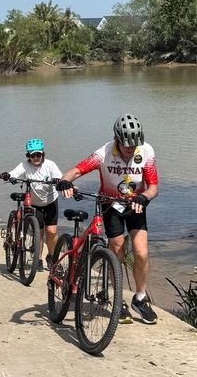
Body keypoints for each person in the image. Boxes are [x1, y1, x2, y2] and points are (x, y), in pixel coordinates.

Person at [57, 113, 159, 325]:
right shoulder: (103, 153)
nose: (131, 149)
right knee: (118, 247)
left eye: (134, 144)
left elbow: (153, 187)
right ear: (116, 140)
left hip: (136, 204)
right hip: (110, 204)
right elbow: (77, 170)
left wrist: (145, 196)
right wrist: (65, 181)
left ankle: (140, 298)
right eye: (126, 145)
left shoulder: (146, 151)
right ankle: (118, 298)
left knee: (142, 252)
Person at [0, 139, 62, 271]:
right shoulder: (25, 165)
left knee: (52, 232)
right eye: (32, 155)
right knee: (39, 232)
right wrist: (8, 175)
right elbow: (14, 173)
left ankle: (51, 257)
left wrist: (57, 180)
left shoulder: (50, 165)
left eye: (38, 155)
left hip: (50, 202)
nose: (36, 158)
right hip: (35, 204)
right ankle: (37, 259)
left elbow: (59, 177)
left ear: (43, 154)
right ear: (28, 156)